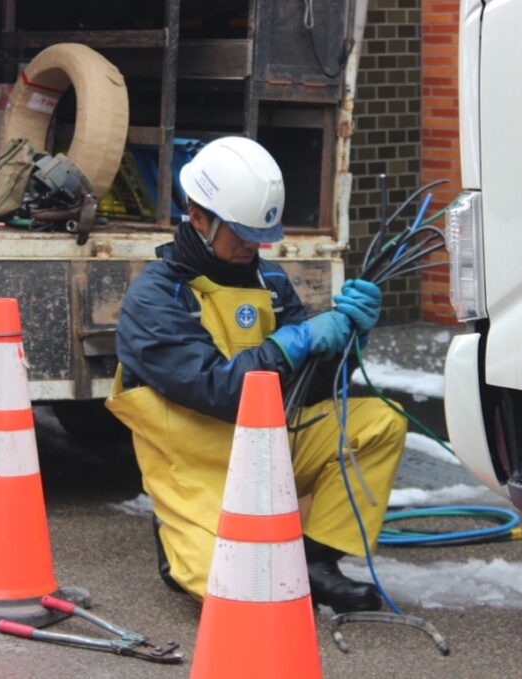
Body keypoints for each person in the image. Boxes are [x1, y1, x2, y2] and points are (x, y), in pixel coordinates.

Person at [106, 136, 406, 613]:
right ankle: (176, 538)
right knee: (241, 595)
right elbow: (216, 389)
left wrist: (350, 341)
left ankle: (316, 561)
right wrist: (294, 341)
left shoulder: (270, 282)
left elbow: (313, 388)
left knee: (378, 423)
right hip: (196, 463)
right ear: (198, 217)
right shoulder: (157, 296)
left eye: (259, 233)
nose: (254, 245)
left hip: (271, 446)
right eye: (241, 232)